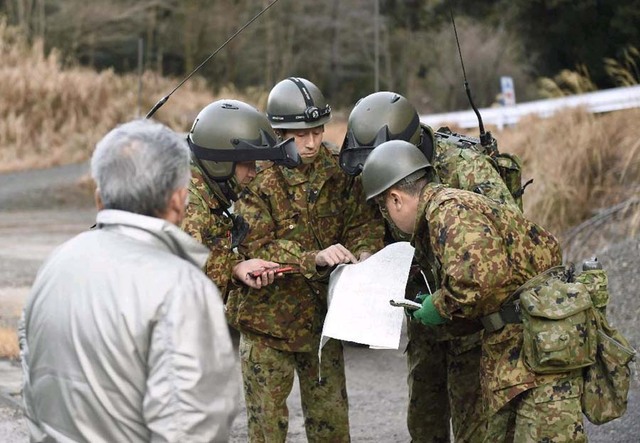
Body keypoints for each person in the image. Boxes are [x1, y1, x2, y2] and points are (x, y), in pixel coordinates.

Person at [19, 119, 240, 442]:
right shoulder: (181, 287)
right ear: (178, 201)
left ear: (99, 198)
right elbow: (192, 427)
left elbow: (32, 386)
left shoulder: (56, 263)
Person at [361, 140, 586, 442]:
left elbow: (481, 281)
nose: (387, 217)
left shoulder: (447, 213)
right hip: (529, 339)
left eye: (384, 208)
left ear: (396, 198)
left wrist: (438, 307)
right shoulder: (449, 205)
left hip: (540, 342)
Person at [340, 91, 520, 442]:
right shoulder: (372, 167)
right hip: (422, 311)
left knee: (476, 423)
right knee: (424, 418)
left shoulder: (464, 167)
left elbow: (506, 235)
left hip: (473, 320)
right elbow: (371, 225)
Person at [228, 77, 385, 442]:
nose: (312, 143)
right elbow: (254, 247)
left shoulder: (338, 169)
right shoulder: (258, 176)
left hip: (321, 325)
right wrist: (313, 257)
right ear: (279, 131)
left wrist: (364, 253)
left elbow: (364, 222)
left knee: (331, 428)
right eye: (300, 135)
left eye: (317, 131)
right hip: (267, 325)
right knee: (268, 431)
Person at [181, 99, 302, 297]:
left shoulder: (205, 194)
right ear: (220, 162)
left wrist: (236, 269)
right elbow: (186, 286)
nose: (253, 173)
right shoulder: (190, 205)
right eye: (248, 164)